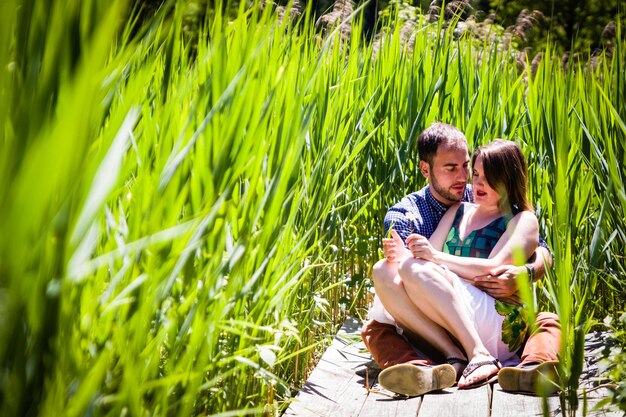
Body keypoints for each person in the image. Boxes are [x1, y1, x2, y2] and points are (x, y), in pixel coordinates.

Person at [361, 123, 560, 396]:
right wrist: (425, 259)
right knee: (383, 274)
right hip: (442, 313)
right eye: (456, 169)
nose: (471, 180)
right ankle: (449, 360)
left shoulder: (515, 215)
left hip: (487, 310)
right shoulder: (416, 211)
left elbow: (532, 252)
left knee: (548, 320)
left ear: (508, 179)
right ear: (425, 170)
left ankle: (507, 361)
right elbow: (411, 263)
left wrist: (527, 271)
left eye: (467, 167)